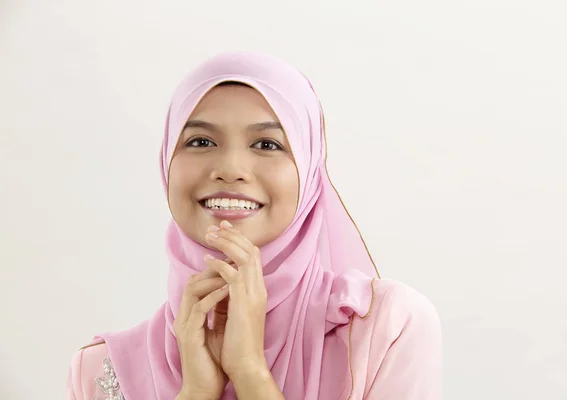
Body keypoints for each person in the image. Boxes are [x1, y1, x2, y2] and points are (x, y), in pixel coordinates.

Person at [66, 51, 442, 400]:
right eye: (200, 140)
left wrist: (250, 374)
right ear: (166, 161)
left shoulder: (385, 329)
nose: (230, 169)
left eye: (266, 144)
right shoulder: (101, 371)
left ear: (309, 168)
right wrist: (195, 392)